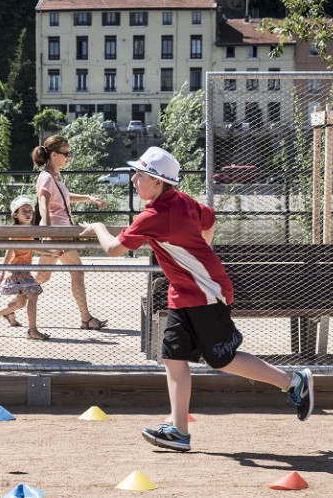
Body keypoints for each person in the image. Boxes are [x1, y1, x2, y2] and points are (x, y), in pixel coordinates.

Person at [79, 146, 313, 451]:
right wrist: (198, 255)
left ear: (158, 182)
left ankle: (294, 383)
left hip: (205, 293)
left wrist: (96, 226)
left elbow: (112, 249)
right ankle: (178, 432)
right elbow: (210, 219)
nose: (134, 180)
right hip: (184, 292)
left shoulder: (155, 214)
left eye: (140, 175)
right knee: (173, 358)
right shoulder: (180, 200)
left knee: (222, 360)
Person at [31, 135, 108, 330]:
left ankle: (14, 304)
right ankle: (86, 319)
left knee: (43, 276)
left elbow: (63, 198)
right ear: (54, 154)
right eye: (66, 154)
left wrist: (88, 198)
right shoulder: (46, 177)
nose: (69, 157)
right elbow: (43, 205)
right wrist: (49, 235)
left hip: (60, 232)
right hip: (59, 233)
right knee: (77, 270)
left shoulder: (55, 176)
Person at [0, 195, 51, 341]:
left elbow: (33, 247)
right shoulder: (17, 231)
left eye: (30, 211)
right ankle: (32, 331)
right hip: (17, 270)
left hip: (24, 269)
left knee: (20, 303)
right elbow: (9, 251)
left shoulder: (28, 230)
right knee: (33, 294)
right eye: (24, 211)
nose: (28, 214)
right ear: (16, 214)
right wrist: (1, 274)